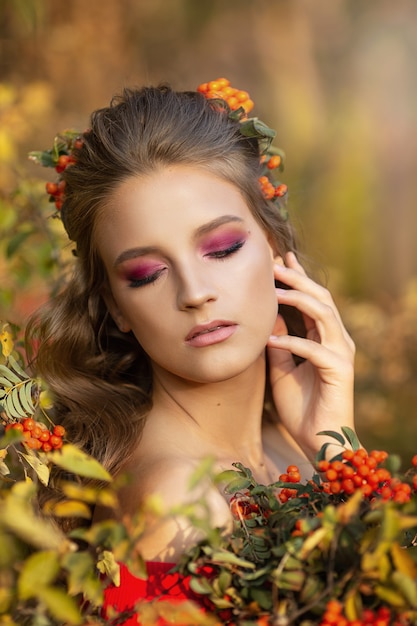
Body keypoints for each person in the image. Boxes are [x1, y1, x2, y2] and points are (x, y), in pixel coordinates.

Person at [28, 79, 355, 623]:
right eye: (147, 273)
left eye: (222, 248)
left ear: (274, 247)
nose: (194, 292)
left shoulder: (289, 448)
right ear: (115, 308)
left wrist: (339, 452)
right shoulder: (181, 497)